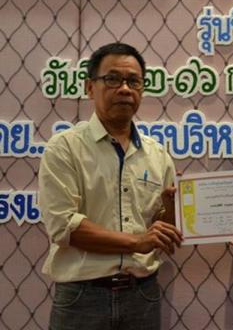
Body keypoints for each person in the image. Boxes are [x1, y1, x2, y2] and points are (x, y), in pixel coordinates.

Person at [39, 42, 182, 330]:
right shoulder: (64, 148)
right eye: (113, 79)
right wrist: (137, 242)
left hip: (142, 295)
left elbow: (160, 232)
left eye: (134, 81)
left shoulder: (158, 155)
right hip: (82, 298)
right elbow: (64, 226)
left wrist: (171, 212)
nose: (125, 89)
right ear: (90, 87)